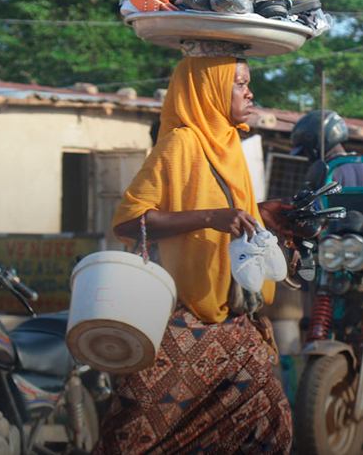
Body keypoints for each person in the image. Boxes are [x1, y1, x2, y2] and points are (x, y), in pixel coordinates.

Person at [92, 57, 293, 455]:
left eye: (247, 83)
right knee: (137, 437)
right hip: (182, 325)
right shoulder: (181, 143)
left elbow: (228, 212)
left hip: (234, 323)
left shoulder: (232, 144)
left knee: (268, 429)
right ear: (209, 91)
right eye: (239, 84)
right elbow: (130, 221)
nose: (249, 92)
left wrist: (262, 213)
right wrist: (210, 218)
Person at [291, 110, 363, 187]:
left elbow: (318, 202)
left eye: (306, 150)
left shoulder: (326, 170)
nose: (307, 156)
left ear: (317, 143)